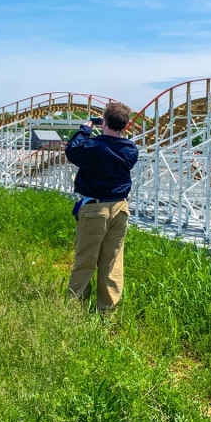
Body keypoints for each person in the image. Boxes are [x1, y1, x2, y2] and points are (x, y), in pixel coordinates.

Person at [64, 102, 138, 313]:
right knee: (112, 261)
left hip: (96, 208)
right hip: (120, 209)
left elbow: (73, 151)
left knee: (86, 259)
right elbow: (114, 146)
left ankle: (75, 306)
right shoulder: (131, 149)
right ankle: (107, 310)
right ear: (125, 125)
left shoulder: (93, 146)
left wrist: (85, 129)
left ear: (104, 121)